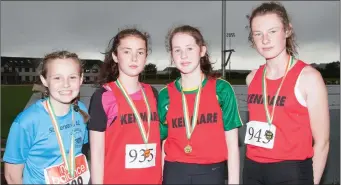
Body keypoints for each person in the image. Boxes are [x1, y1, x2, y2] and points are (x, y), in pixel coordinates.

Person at [243, 2, 330, 185]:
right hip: (252, 169)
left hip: (291, 172)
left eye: (272, 31)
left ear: (287, 31)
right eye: (258, 34)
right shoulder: (252, 78)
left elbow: (322, 143)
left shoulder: (309, 78)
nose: (265, 40)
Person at [158, 25, 242, 184]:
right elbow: (164, 141)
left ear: (202, 51)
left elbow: (232, 143)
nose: (183, 55)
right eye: (177, 50)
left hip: (211, 172)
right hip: (174, 171)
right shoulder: (165, 95)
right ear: (171, 55)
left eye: (189, 48)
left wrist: (234, 182)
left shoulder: (222, 89)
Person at [3, 51, 90, 184]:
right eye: (57, 78)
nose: (66, 84)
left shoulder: (81, 111)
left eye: (72, 77)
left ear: (81, 79)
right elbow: (12, 176)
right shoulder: (27, 122)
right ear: (44, 80)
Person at [88, 28, 162, 184]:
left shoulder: (153, 94)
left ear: (146, 56)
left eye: (140, 52)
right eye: (127, 52)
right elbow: (97, 154)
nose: (134, 58)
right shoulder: (103, 96)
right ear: (115, 56)